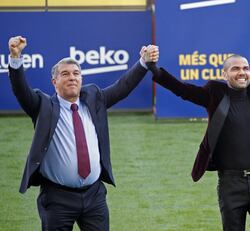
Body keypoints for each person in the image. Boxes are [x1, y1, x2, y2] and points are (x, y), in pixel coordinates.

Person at [148, 10, 250, 231]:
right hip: (230, 185)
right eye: (236, 69)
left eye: (245, 68)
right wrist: (152, 67)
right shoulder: (214, 95)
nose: (242, 73)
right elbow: (182, 90)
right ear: (225, 74)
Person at [8, 36, 159, 230]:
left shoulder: (94, 99)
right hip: (57, 199)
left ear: (81, 78)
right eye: (65, 74)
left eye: (76, 73)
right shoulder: (43, 106)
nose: (72, 77)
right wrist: (15, 57)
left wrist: (143, 62)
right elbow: (21, 90)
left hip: (94, 196)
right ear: (54, 82)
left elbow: (123, 86)